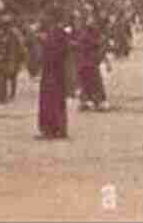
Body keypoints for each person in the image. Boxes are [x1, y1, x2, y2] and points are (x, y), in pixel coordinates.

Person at [37, 11, 70, 139]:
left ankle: (52, 128)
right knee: (54, 101)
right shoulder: (59, 33)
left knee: (52, 101)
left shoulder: (57, 34)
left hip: (54, 71)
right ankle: (55, 128)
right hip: (54, 72)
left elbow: (58, 51)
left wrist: (44, 43)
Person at [77, 11, 109, 112]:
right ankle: (90, 101)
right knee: (90, 81)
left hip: (89, 61)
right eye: (89, 20)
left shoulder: (92, 33)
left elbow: (100, 46)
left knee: (91, 81)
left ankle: (92, 101)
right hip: (87, 61)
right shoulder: (85, 33)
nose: (90, 21)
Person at [0, 15, 26, 103]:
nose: (4, 26)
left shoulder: (15, 34)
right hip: (3, 59)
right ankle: (2, 96)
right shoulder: (1, 34)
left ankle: (11, 95)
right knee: (2, 77)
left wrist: (21, 60)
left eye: (6, 24)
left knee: (12, 77)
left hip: (13, 59)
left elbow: (21, 47)